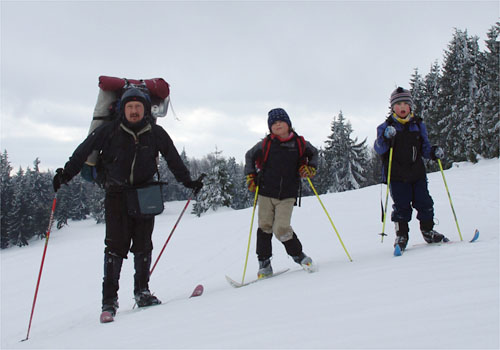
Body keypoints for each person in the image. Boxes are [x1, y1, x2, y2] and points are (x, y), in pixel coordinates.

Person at [53, 87, 203, 321]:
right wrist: (65, 175)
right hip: (117, 196)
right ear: (123, 109)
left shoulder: (156, 133)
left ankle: (142, 293)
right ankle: (109, 302)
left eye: (138, 107)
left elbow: (173, 159)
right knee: (115, 248)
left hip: (145, 194)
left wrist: (188, 181)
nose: (134, 111)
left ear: (145, 109)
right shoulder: (109, 130)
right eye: (130, 107)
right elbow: (82, 152)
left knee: (143, 246)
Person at [245, 108, 319, 278]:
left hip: (287, 194)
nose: (277, 124)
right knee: (264, 226)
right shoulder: (265, 144)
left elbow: (314, 153)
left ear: (289, 124)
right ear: (270, 127)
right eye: (274, 123)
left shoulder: (299, 143)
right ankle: (264, 264)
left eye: (281, 121)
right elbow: (249, 155)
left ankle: (298, 256)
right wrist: (251, 176)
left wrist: (311, 168)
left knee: (281, 228)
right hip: (265, 192)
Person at [374, 87, 446, 252]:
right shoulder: (385, 126)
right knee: (401, 206)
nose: (402, 107)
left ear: (411, 106)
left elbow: (425, 148)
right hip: (397, 175)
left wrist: (433, 152)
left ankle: (428, 231)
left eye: (406, 103)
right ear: (393, 107)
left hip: (417, 172)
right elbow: (378, 148)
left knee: (425, 202)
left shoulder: (418, 125)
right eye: (398, 104)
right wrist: (385, 136)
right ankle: (401, 236)